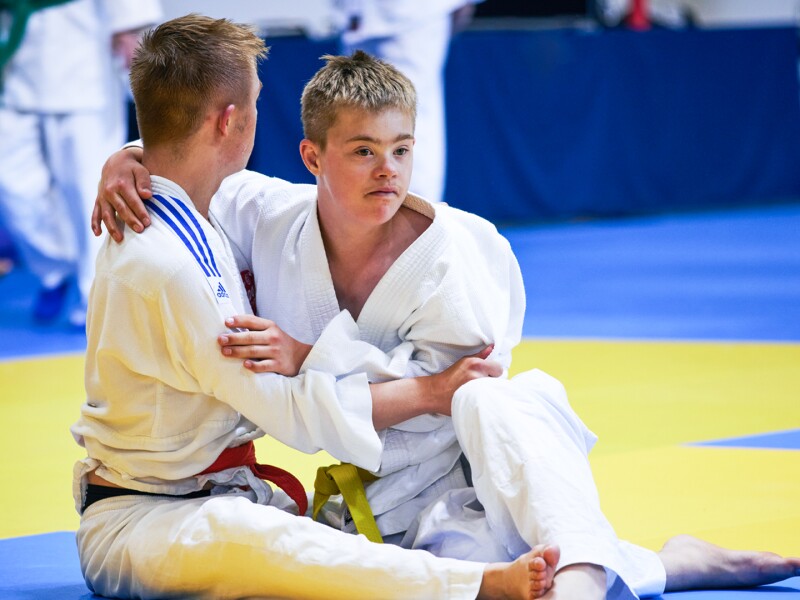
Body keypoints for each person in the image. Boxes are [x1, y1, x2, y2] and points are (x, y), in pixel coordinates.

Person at [94, 52, 800, 599]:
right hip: (384, 508)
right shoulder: (265, 215)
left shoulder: (463, 253)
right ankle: (670, 565)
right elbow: (188, 158)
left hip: (488, 472)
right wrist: (124, 161)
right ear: (313, 159)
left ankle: (586, 579)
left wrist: (311, 354)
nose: (388, 172)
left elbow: (451, 403)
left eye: (402, 150)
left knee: (501, 395)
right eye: (363, 151)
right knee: (472, 575)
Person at [72, 14, 563, 600]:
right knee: (268, 542)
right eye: (255, 103)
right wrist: (427, 391)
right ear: (232, 121)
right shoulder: (173, 262)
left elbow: (174, 142)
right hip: (141, 516)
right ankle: (475, 586)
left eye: (401, 150)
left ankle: (659, 565)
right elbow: (287, 411)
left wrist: (130, 154)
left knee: (517, 409)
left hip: (220, 491)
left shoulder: (205, 209)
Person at [0, 0, 161, 326]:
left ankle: (97, 297)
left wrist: (131, 28)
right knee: (15, 189)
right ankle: (55, 267)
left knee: (92, 191)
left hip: (83, 61)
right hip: (15, 59)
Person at [332, 0, 479, 203]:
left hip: (412, 18)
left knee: (408, 114)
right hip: (359, 15)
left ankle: (416, 214)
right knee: (355, 116)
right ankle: (364, 210)